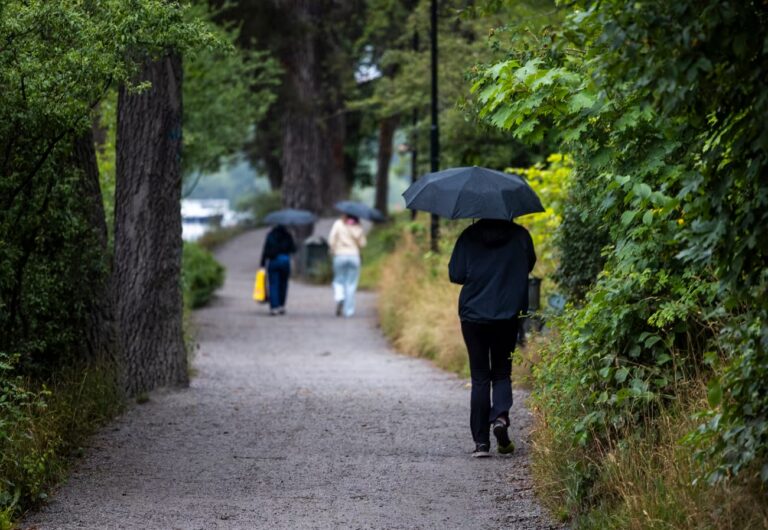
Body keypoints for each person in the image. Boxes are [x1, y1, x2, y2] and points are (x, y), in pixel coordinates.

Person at [448, 219, 536, 458]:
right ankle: (500, 417)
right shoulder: (520, 236)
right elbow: (528, 266)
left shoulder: (469, 235)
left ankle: (481, 444)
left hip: (473, 315)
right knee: (501, 372)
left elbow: (456, 274)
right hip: (508, 313)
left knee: (479, 377)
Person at [328, 214, 367, 317]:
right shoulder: (358, 226)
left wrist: (333, 250)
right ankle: (349, 311)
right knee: (351, 284)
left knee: (338, 280)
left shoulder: (338, 223)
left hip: (340, 255)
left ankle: (340, 297)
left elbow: (331, 239)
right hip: (354, 256)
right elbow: (363, 244)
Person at [260, 224, 296, 316]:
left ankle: (274, 307)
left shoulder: (270, 235)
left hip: (273, 261)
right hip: (285, 261)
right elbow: (293, 249)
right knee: (283, 285)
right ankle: (281, 306)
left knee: (273, 285)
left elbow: (265, 250)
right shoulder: (288, 235)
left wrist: (262, 264)